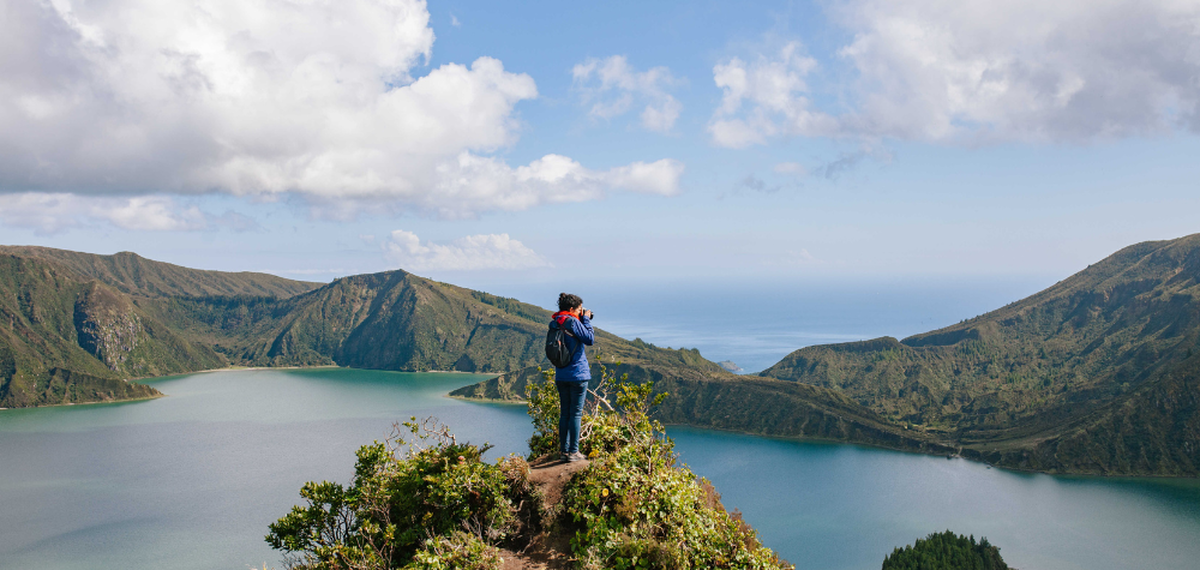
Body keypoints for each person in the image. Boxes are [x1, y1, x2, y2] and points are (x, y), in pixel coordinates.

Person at [551, 292, 594, 462]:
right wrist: (586, 320)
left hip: (561, 374)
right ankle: (574, 452)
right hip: (577, 374)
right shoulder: (574, 322)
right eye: (579, 309)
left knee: (565, 414)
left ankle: (563, 452)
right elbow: (589, 339)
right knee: (575, 414)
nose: (581, 312)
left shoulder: (555, 322)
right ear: (571, 309)